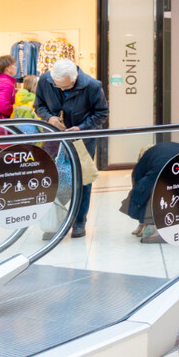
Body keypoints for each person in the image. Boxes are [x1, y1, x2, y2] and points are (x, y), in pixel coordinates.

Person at [34, 58, 109, 239]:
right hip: (54, 137)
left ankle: (79, 222)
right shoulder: (45, 80)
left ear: (74, 79)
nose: (61, 90)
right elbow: (39, 106)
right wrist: (50, 118)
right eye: (58, 86)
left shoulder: (91, 85)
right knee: (51, 177)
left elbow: (102, 113)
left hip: (82, 138)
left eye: (66, 87)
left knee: (82, 179)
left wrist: (82, 127)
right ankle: (54, 221)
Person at [122, 142, 179, 244]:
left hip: (175, 167)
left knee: (145, 194)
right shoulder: (163, 152)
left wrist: (135, 205)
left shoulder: (142, 167)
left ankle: (148, 224)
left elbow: (138, 190)